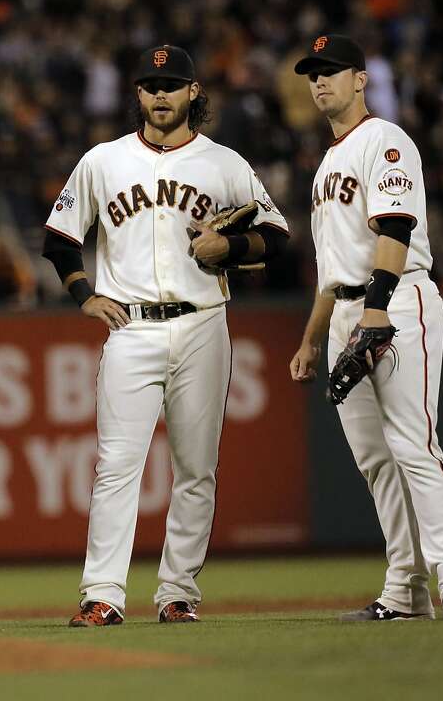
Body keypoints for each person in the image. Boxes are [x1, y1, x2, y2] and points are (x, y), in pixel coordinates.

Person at [42, 45, 290, 627]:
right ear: (137, 94)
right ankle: (102, 594)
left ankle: (178, 593)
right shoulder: (103, 161)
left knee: (196, 467)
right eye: (151, 85)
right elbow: (59, 238)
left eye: (171, 84)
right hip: (130, 325)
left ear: (193, 93)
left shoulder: (224, 163)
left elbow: (276, 234)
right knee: (117, 465)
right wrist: (84, 293)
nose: (160, 94)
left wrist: (229, 246)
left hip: (203, 321)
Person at [287, 34, 443, 622]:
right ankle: (405, 589)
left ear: (361, 79)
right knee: (375, 459)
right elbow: (331, 273)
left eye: (333, 71)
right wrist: (311, 337)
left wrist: (375, 311)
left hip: (395, 301)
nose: (321, 81)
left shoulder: (385, 139)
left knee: (413, 444)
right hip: (349, 308)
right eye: (313, 73)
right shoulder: (326, 163)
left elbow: (394, 228)